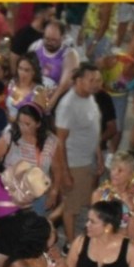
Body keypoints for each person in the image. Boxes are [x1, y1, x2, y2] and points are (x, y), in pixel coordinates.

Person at [54, 62, 104, 248]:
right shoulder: (68, 105)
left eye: (98, 80)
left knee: (80, 201)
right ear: (79, 81)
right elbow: (60, 142)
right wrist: (65, 173)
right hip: (75, 163)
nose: (96, 83)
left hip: (87, 160)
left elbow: (93, 128)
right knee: (71, 207)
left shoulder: (89, 98)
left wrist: (98, 155)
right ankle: (70, 242)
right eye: (92, 80)